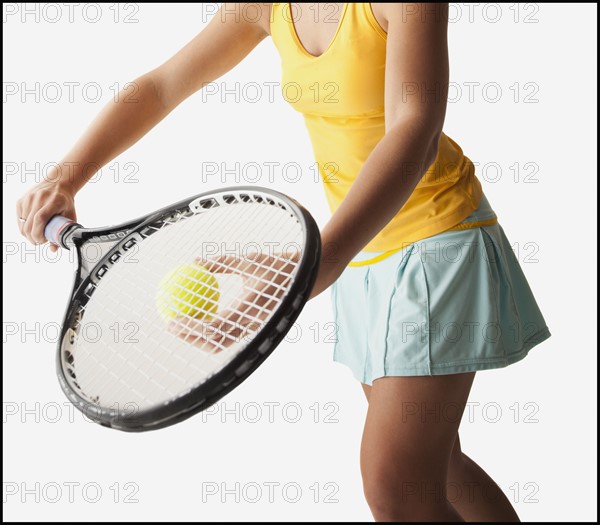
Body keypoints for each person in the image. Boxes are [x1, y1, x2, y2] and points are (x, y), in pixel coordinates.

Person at [16, 3, 550, 521]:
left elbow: (416, 130)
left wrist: (322, 261)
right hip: (362, 258)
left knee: (394, 484)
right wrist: (64, 176)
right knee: (439, 468)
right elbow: (162, 85)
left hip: (436, 246)